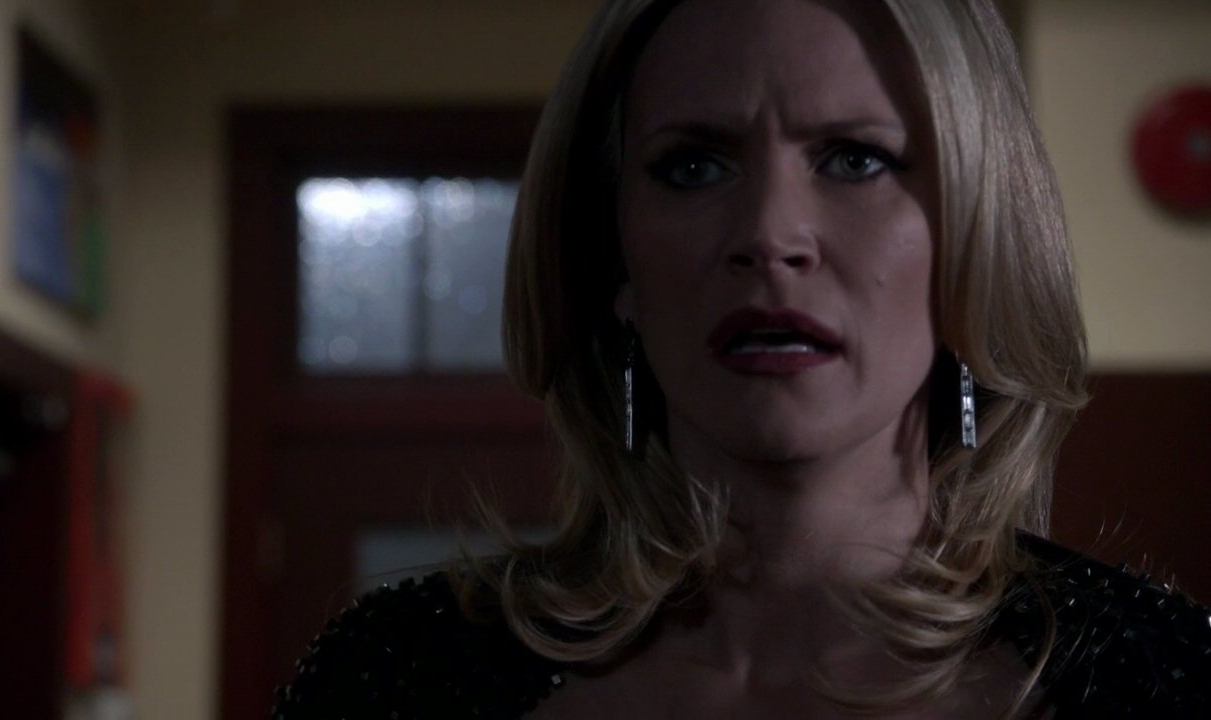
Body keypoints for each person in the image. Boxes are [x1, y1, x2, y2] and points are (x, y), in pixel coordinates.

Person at [272, 0, 1211, 717]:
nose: (769, 235)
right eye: (694, 166)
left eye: (854, 159)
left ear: (975, 238)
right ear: (615, 260)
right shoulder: (397, 677)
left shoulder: (1157, 679)